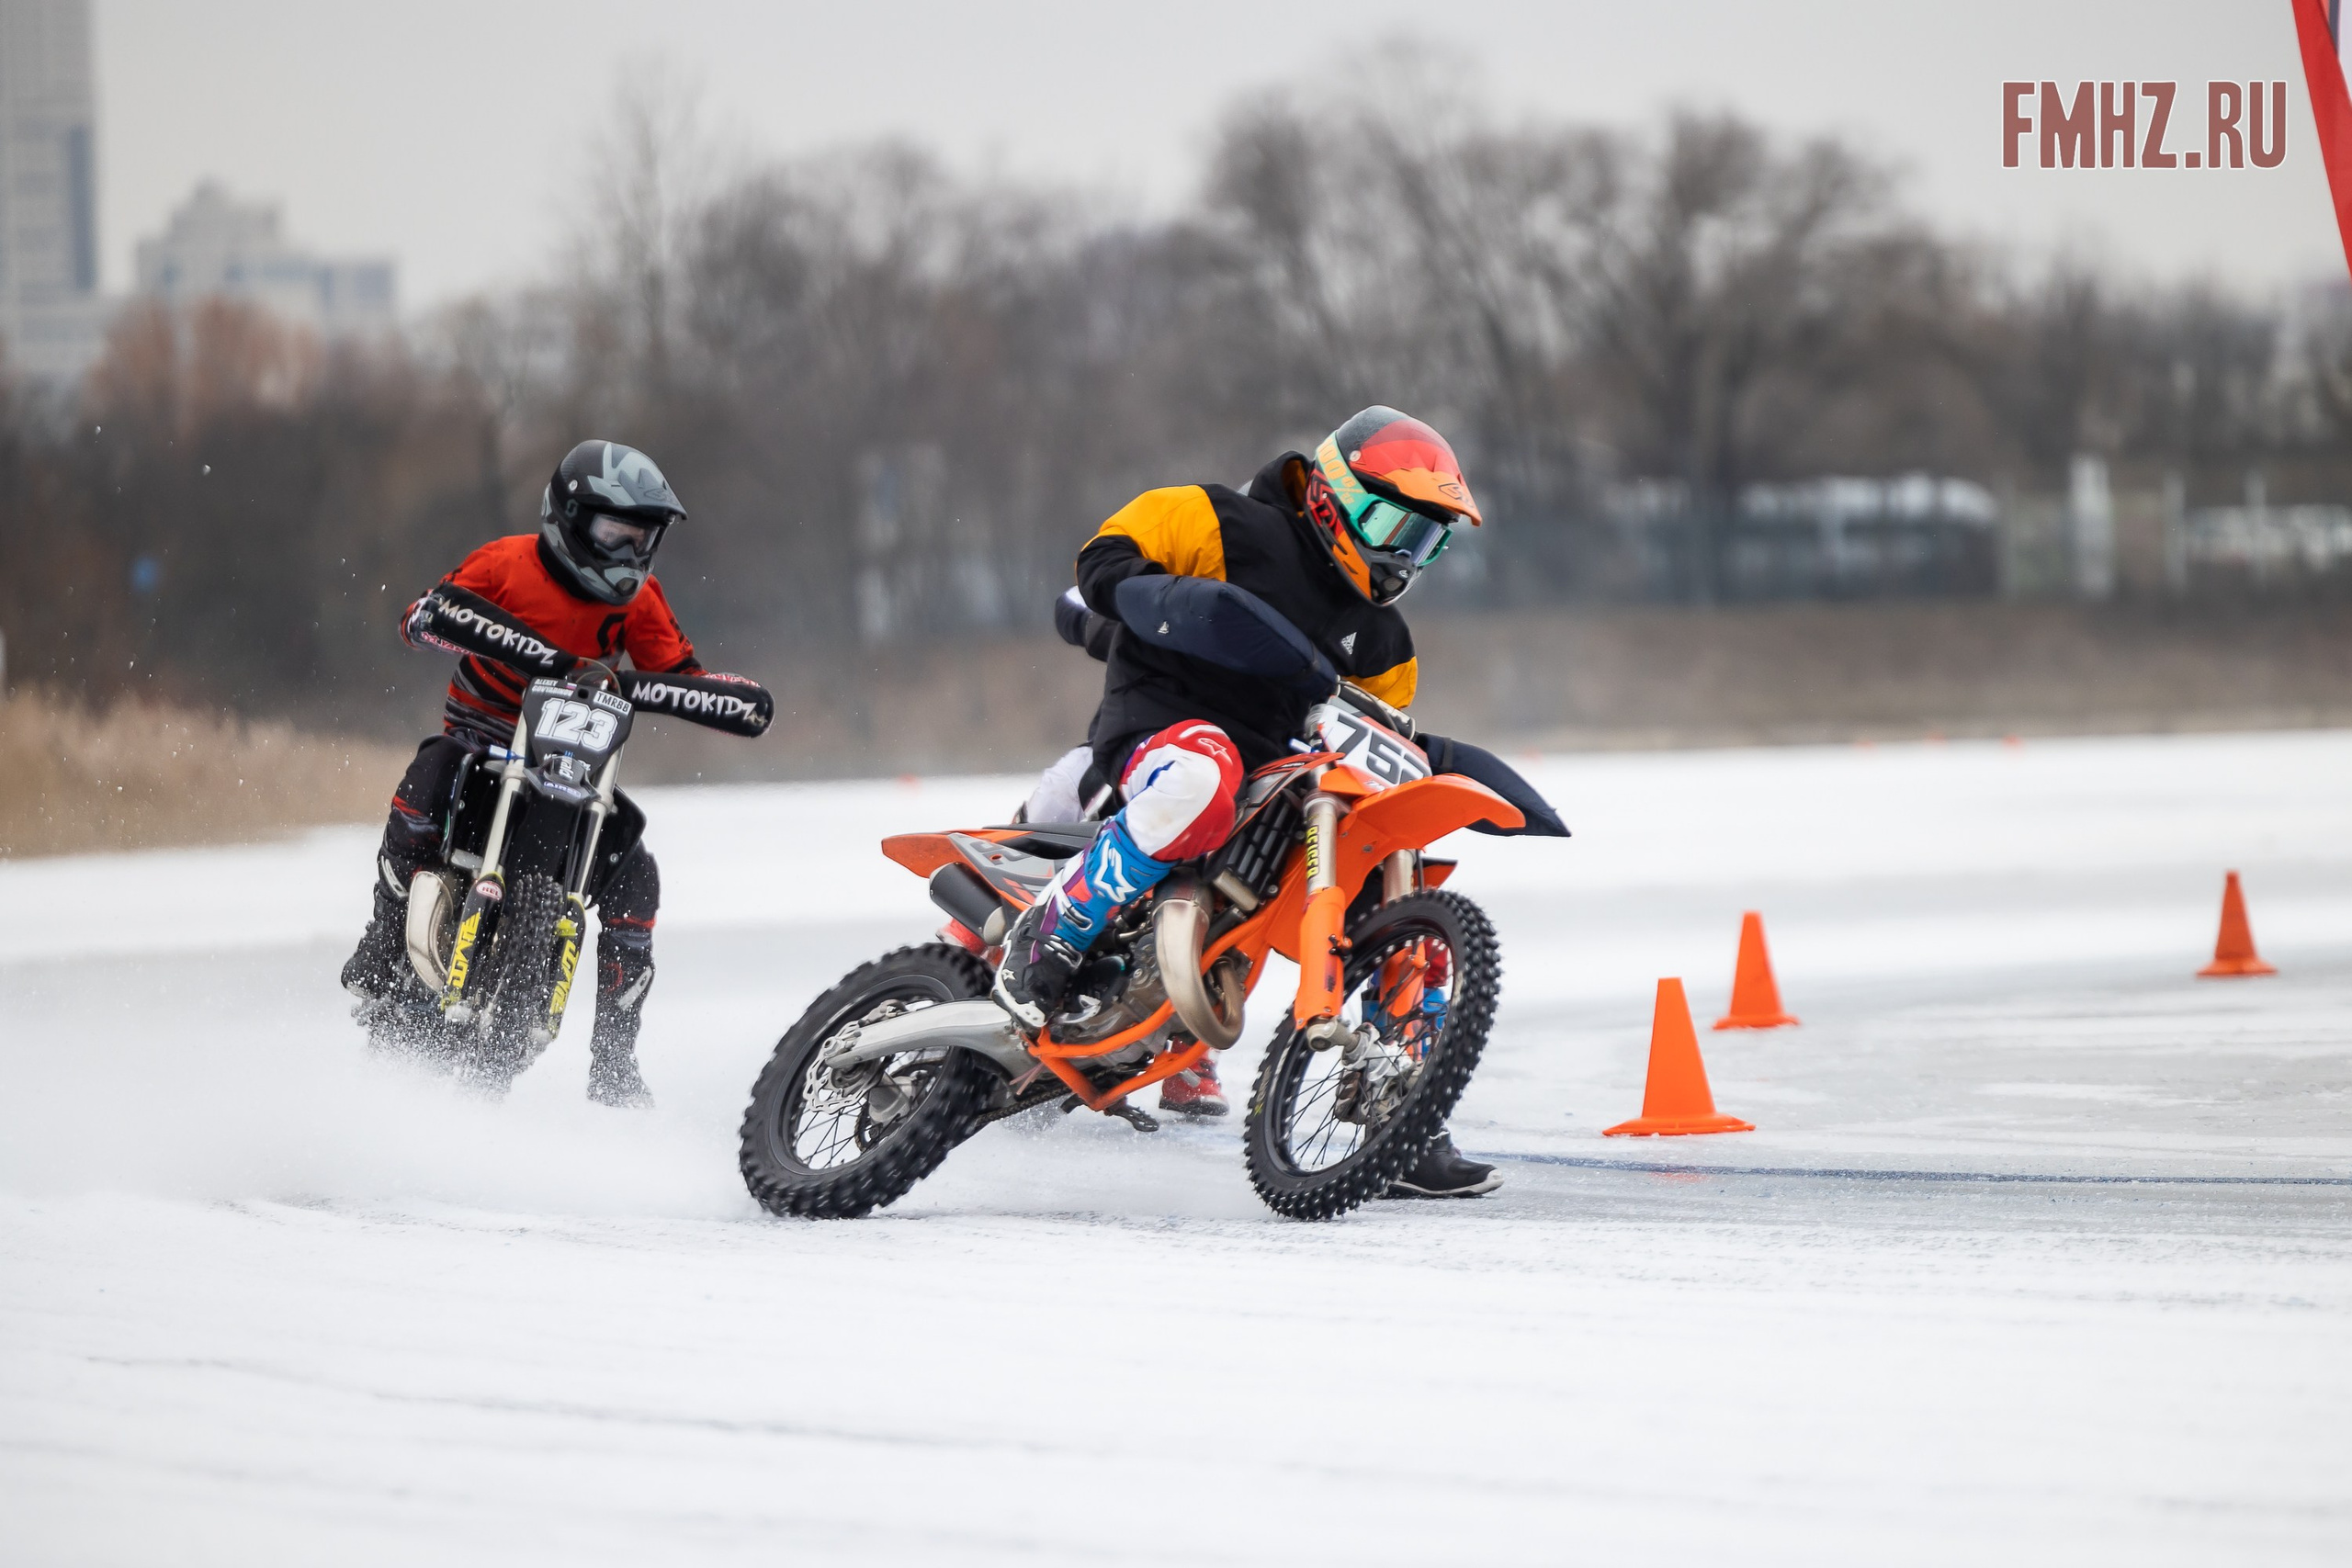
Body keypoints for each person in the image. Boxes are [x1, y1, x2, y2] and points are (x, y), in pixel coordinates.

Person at [998, 407, 1567, 1196]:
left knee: (1398, 873)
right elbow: (1103, 558)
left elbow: (1370, 735)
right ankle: (1050, 931)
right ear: (1333, 497)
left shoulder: (1387, 644)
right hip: (1165, 730)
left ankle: (1398, 1110)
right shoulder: (1219, 519)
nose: (1402, 555)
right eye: (1392, 526)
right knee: (1201, 777)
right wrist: (1151, 598)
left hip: (1286, 779)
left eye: (1425, 540)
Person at [339, 439, 773, 1107]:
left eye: (643, 539)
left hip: (571, 766)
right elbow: (420, 617)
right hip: (483, 739)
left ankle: (614, 1061)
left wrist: (731, 699)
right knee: (430, 772)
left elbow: (680, 674)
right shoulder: (504, 563)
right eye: (616, 533)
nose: (630, 553)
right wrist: (539, 656)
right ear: (569, 517)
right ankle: (381, 940)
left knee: (638, 876)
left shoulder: (642, 600)